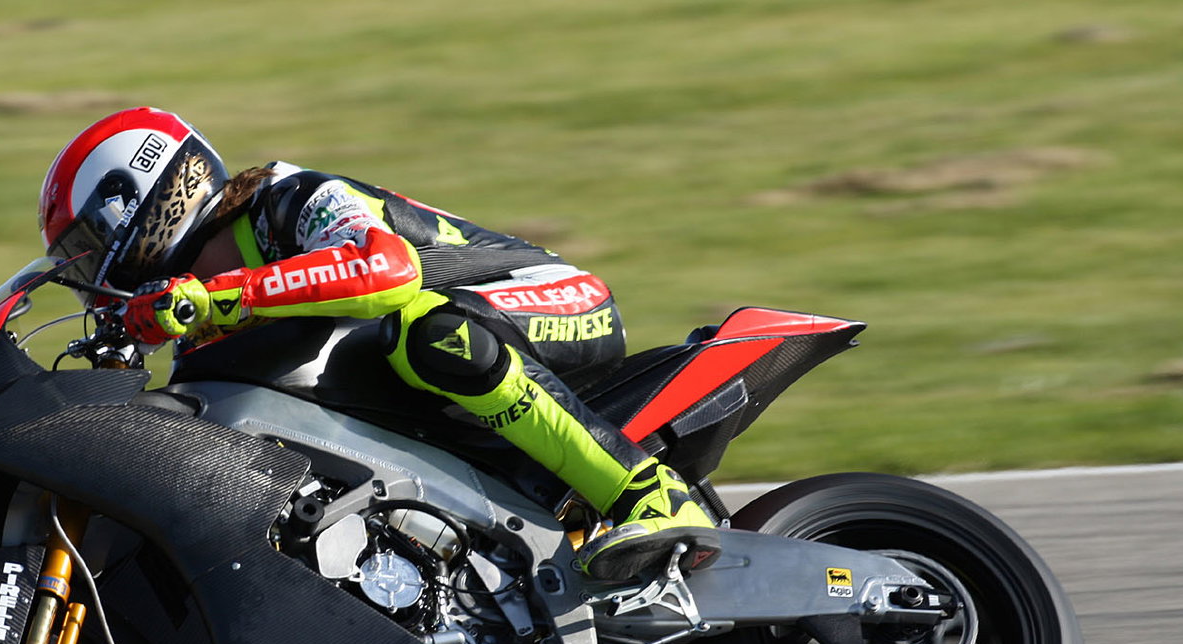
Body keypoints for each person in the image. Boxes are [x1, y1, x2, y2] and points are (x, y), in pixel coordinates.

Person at [37, 107, 718, 580]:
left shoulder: (288, 198)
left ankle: (646, 493)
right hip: (463, 371)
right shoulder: (202, 335)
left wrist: (221, 295)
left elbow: (386, 270)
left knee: (428, 334)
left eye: (88, 251)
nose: (90, 279)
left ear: (144, 207)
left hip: (555, 298)